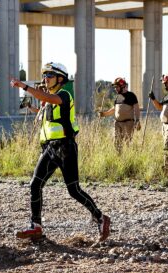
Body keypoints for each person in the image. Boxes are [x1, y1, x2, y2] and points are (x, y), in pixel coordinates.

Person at [10, 62, 111, 242]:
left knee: (73, 190)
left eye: (49, 76)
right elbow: (46, 112)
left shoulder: (64, 94)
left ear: (60, 78)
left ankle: (100, 218)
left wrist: (25, 87)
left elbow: (52, 99)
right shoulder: (48, 100)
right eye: (44, 76)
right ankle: (36, 226)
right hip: (49, 149)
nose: (45, 79)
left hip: (66, 148)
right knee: (35, 185)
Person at [98, 77, 141, 153]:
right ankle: (119, 157)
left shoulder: (131, 95)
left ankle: (129, 159)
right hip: (117, 123)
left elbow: (137, 108)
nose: (115, 89)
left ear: (122, 86)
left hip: (128, 123)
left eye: (117, 87)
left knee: (128, 143)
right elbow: (114, 109)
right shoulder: (117, 97)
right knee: (117, 142)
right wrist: (104, 114)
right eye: (115, 87)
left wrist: (137, 120)